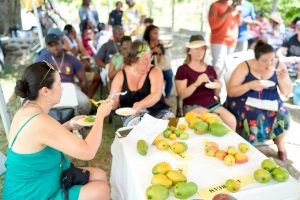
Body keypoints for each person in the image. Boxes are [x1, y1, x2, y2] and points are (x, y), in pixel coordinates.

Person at [3, 61, 112, 199]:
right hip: (33, 194)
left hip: (45, 181)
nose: (62, 88)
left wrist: (69, 125)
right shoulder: (39, 121)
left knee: (100, 175)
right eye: (59, 84)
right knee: (100, 190)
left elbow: (43, 139)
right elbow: (88, 151)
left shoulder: (27, 111)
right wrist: (101, 115)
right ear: (45, 91)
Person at [224, 40, 293, 161]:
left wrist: (283, 79)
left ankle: (280, 145)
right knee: (254, 116)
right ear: (256, 59)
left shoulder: (278, 66)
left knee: (283, 115)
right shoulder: (245, 66)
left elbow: (286, 93)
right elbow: (231, 91)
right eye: (265, 61)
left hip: (270, 99)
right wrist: (250, 85)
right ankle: (248, 148)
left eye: (272, 59)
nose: (270, 63)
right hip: (244, 98)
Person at [175, 35, 236, 130]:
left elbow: (216, 94)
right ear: (189, 51)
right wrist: (196, 83)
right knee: (216, 121)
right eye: (196, 49)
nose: (200, 52)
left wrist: (218, 87)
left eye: (202, 49)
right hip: (192, 105)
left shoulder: (210, 69)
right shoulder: (183, 69)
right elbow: (182, 95)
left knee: (231, 120)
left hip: (212, 103)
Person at [110, 40, 174, 126]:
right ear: (133, 61)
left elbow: (156, 94)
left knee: (169, 127)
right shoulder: (121, 76)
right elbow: (114, 101)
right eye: (144, 60)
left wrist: (141, 104)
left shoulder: (155, 71)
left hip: (158, 111)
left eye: (150, 58)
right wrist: (109, 103)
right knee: (136, 131)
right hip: (132, 116)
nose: (149, 63)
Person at [35, 33, 92, 114]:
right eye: (51, 46)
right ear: (47, 47)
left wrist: (84, 93)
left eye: (56, 44)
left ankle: (77, 120)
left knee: (85, 103)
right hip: (49, 88)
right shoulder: (41, 60)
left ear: (61, 44)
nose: (54, 48)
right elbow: (35, 78)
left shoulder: (72, 59)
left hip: (69, 88)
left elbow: (83, 80)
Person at [208, 0, 242, 79]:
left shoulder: (232, 5)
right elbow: (213, 26)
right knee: (218, 67)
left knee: (226, 68)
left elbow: (238, 23)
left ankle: (217, 89)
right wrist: (227, 12)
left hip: (232, 41)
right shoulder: (215, 5)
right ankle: (209, 88)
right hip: (219, 40)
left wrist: (240, 14)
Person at [143, 25, 173, 98]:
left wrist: (159, 53)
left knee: (169, 75)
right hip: (148, 66)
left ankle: (166, 96)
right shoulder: (144, 43)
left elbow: (162, 56)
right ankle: (151, 96)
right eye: (154, 33)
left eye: (157, 33)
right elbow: (141, 55)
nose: (156, 35)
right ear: (149, 34)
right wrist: (152, 50)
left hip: (160, 66)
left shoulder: (160, 43)